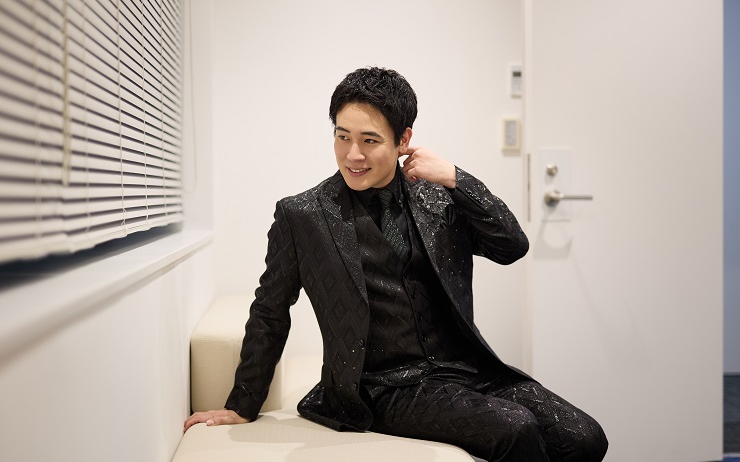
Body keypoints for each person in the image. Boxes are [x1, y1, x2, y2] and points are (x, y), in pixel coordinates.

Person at [184, 67, 608, 461]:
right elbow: (270, 311)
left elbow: (512, 246)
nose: (352, 155)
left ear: (403, 140)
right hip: (382, 387)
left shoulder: (437, 196)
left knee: (586, 436)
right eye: (342, 136)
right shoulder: (303, 216)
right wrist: (242, 404)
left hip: (465, 369)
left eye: (369, 140)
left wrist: (457, 178)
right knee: (515, 428)